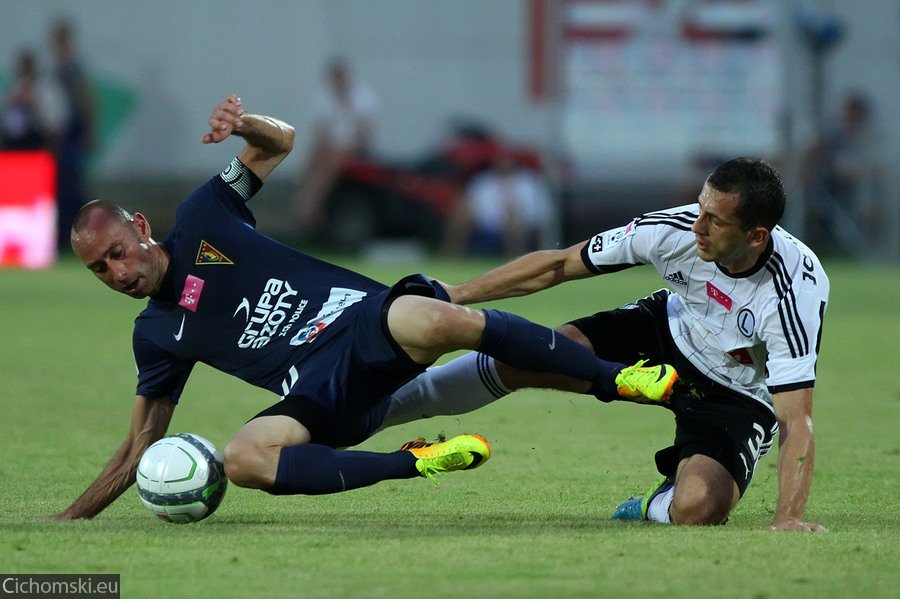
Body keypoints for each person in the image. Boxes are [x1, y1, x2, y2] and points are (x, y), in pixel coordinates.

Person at [55, 94, 676, 519]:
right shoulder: (157, 335)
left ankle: (614, 378)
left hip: (359, 323)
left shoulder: (201, 216)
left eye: (116, 253)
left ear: (140, 227)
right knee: (243, 459)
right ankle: (412, 464)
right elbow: (141, 444)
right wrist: (72, 517)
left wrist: (243, 127)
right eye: (99, 270)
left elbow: (281, 143)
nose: (117, 273)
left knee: (435, 315)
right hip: (321, 393)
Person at [384, 158, 830, 531]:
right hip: (667, 333)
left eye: (715, 220)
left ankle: (652, 505)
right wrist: (458, 294)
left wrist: (788, 518)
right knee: (532, 354)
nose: (697, 226)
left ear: (756, 236)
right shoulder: (672, 232)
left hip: (735, 395)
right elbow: (558, 265)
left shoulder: (792, 294)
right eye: (700, 208)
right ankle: (381, 408)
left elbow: (796, 420)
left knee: (698, 509)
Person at [292, 57, 377, 230]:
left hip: (354, 148)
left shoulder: (361, 95)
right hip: (332, 148)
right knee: (315, 164)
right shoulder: (326, 97)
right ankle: (311, 206)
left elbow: (365, 130)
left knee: (330, 162)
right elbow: (321, 132)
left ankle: (308, 208)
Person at [440, 147, 552, 257]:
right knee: (461, 212)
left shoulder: (527, 181)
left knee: (511, 215)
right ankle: (451, 256)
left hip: (521, 223)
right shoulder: (483, 180)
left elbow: (541, 211)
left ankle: (515, 256)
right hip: (488, 223)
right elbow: (473, 205)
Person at [50, 19, 95, 254]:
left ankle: (84, 234)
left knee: (72, 188)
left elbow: (85, 100)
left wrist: (87, 131)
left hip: (72, 134)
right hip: (63, 135)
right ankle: (71, 235)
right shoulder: (58, 67)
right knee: (63, 187)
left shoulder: (73, 67)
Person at [0, 49, 64, 151]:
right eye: (24, 66)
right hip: (15, 139)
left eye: (28, 66)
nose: (26, 69)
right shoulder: (14, 88)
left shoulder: (45, 88)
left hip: (38, 136)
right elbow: (7, 113)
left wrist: (33, 103)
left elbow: (52, 117)